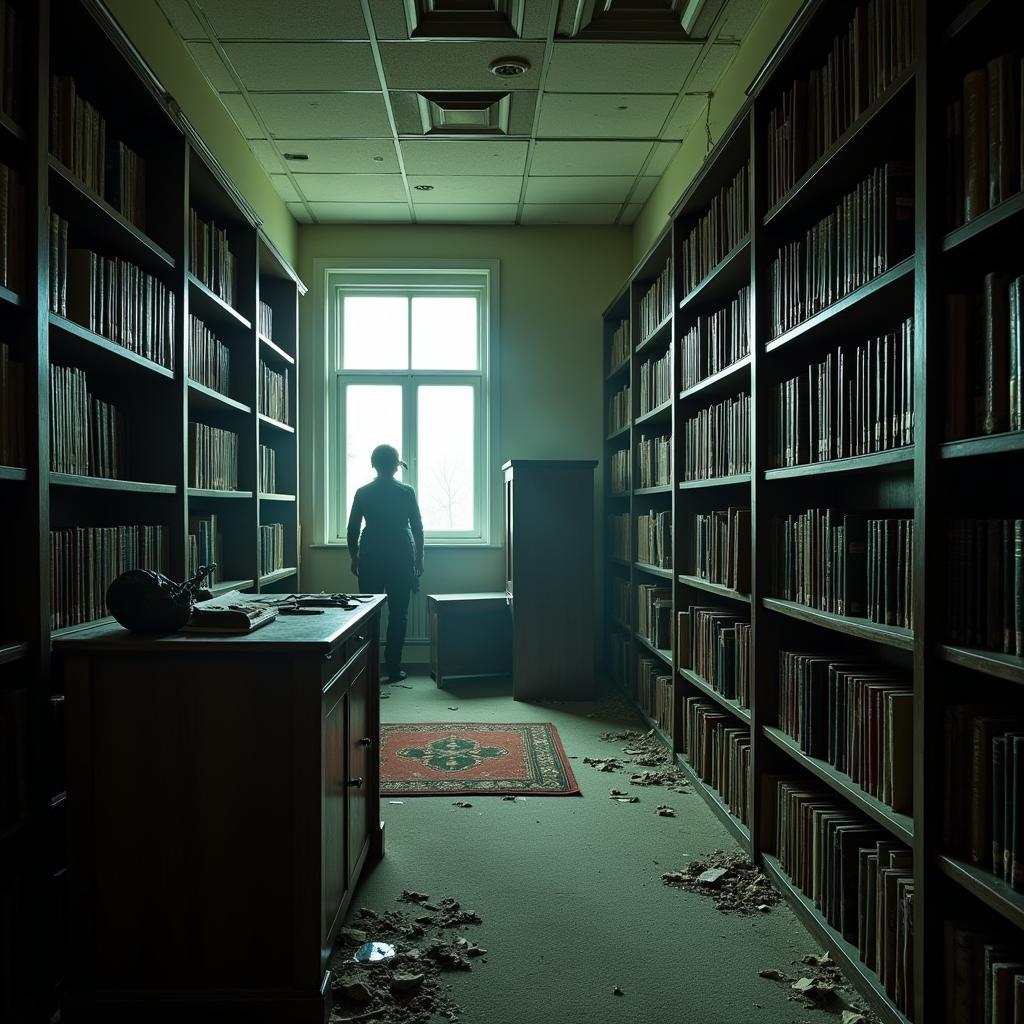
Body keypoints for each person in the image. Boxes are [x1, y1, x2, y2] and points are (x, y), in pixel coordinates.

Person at [346, 444, 424, 683]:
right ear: (396, 465)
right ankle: (392, 668)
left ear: (374, 464)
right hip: (401, 555)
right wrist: (419, 559)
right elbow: (418, 528)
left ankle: (368, 668)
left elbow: (352, 528)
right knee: (398, 614)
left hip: (371, 555)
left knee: (368, 615)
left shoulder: (363, 492)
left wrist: (354, 556)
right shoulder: (406, 491)